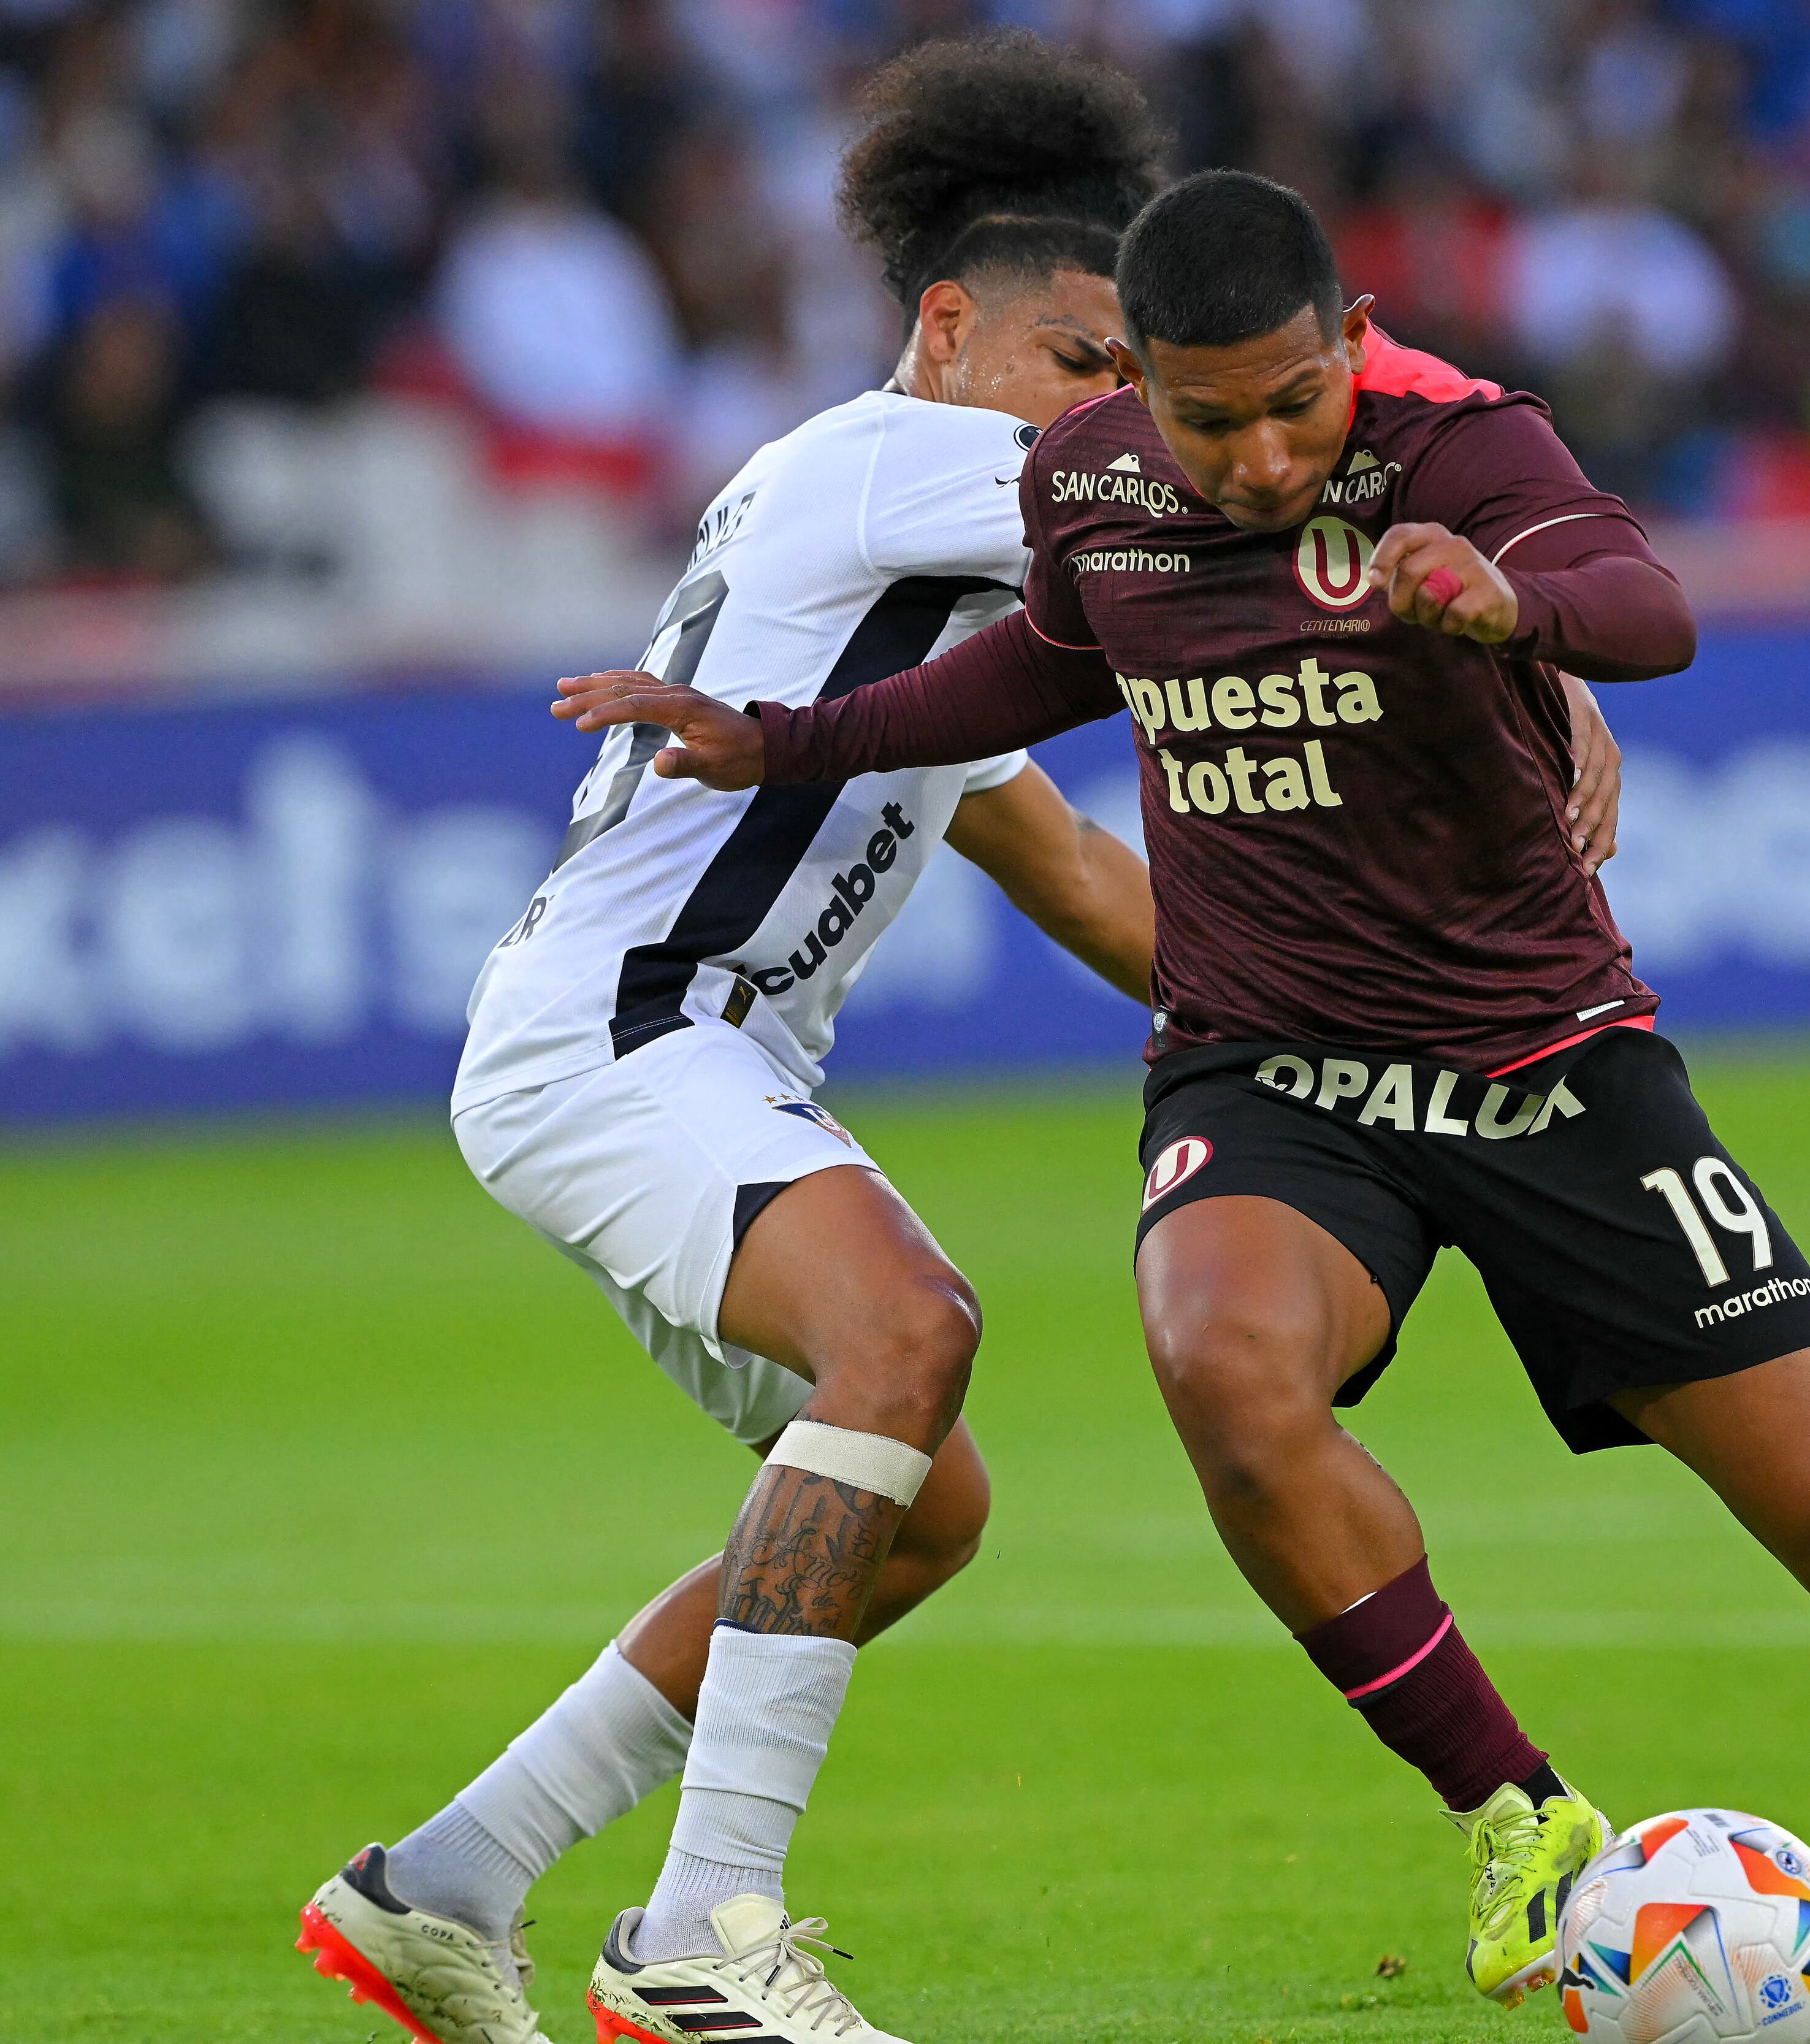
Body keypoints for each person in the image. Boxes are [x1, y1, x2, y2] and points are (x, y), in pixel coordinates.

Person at [560, 167, 1810, 2042]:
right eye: (1210, 417)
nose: (1260, 453)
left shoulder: (1463, 444)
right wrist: (787, 737)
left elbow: (1651, 605)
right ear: (1145, 381)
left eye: (1294, 404)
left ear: (1349, 344)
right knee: (1223, 1368)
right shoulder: (1094, 480)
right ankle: (1519, 1815)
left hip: (1549, 1067)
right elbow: (1044, 662)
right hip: (1268, 1066)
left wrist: (1511, 605)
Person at [296, 41, 1163, 2044]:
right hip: (626, 1032)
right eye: (1083, 360)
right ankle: (703, 1933)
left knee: (915, 1500)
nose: (1112, 409)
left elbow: (1102, 896)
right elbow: (1194, 500)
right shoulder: (884, 461)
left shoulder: (921, 605)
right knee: (912, 1333)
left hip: (671, 1054)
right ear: (948, 328)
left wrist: (1351, 1012)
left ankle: (448, 1883)